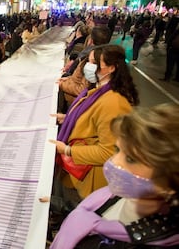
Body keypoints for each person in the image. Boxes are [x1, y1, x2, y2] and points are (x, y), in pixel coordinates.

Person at [50, 103, 179, 248]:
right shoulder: (119, 193)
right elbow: (97, 212)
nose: (114, 161)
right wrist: (56, 204)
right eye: (117, 149)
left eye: (131, 159)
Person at [50, 44, 140, 211]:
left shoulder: (115, 102)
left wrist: (68, 151)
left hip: (86, 177)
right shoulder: (98, 90)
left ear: (111, 68)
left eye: (93, 62)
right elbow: (91, 120)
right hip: (74, 169)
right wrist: (69, 118)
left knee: (74, 211)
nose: (87, 67)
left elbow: (109, 151)